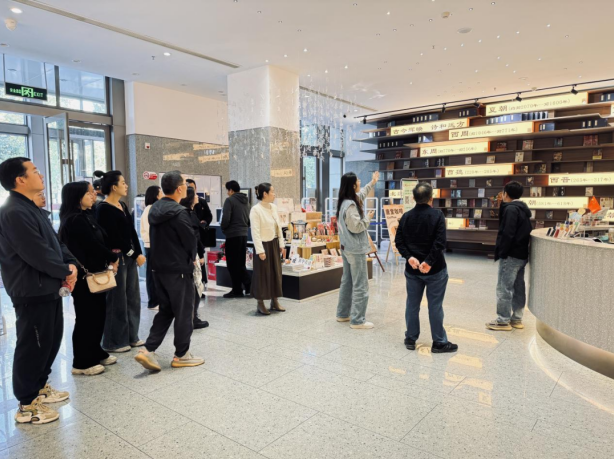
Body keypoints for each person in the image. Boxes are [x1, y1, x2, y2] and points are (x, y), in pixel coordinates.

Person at [0, 157, 77, 425]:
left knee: (50, 341)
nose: (40, 174)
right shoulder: (13, 212)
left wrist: (70, 265)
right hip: (30, 289)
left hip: (47, 287)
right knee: (32, 345)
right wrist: (65, 271)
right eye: (34, 171)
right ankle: (27, 404)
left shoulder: (30, 208)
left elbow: (55, 244)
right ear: (20, 179)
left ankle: (39, 387)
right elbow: (36, 253)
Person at [135, 171, 204, 371]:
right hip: (178, 269)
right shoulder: (179, 212)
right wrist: (191, 259)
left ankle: (148, 350)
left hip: (158, 268)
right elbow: (190, 241)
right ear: (180, 188)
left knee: (166, 310)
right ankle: (181, 355)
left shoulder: (155, 209)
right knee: (184, 312)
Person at [58, 182, 120, 376]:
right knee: (86, 318)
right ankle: (82, 362)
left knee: (98, 315)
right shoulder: (74, 220)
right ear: (78, 197)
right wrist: (113, 257)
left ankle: (95, 351)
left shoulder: (86, 215)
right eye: (89, 193)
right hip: (84, 277)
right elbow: (91, 244)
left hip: (95, 273)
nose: (94, 195)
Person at [395, 182, 458, 353]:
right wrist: (429, 262)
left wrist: (410, 257)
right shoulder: (437, 215)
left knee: (412, 304)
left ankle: (410, 338)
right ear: (431, 198)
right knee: (435, 305)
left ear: (413, 198)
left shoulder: (406, 216)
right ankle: (439, 342)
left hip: (412, 270)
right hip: (435, 269)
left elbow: (399, 241)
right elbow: (440, 243)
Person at [94, 170, 146, 353]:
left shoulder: (122, 205)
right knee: (117, 300)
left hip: (129, 257)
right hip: (116, 258)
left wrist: (138, 253)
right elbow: (114, 238)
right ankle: (114, 341)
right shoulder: (103, 208)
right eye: (123, 182)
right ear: (114, 187)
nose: (126, 185)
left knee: (133, 298)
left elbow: (131, 232)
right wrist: (134, 254)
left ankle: (132, 336)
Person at [486, 181, 533, 331]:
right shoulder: (522, 209)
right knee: (518, 287)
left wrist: (502, 252)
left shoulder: (511, 209)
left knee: (504, 287)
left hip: (511, 254)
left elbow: (507, 233)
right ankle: (517, 319)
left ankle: (503, 320)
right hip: (521, 254)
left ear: (506, 193)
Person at [335, 171, 378, 329]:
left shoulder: (345, 201)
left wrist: (372, 182)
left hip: (346, 247)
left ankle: (342, 314)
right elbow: (356, 227)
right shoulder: (351, 205)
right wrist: (368, 218)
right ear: (353, 185)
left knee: (347, 281)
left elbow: (362, 193)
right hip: (355, 249)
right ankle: (358, 320)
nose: (360, 182)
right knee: (361, 284)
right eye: (358, 180)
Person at [250, 183, 285, 315]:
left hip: (274, 243)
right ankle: (260, 302)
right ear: (265, 194)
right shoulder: (256, 210)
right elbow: (255, 232)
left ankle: (274, 301)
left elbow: (278, 227)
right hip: (263, 245)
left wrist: (281, 244)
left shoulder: (273, 207)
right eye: (272, 191)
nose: (274, 194)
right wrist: (260, 251)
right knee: (262, 274)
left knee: (276, 272)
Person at [179, 187, 209, 330]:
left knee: (194, 286)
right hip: (192, 255)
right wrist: (200, 254)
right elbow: (194, 238)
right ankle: (193, 318)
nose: (198, 197)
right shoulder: (188, 214)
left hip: (189, 254)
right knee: (196, 286)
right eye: (195, 194)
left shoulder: (187, 213)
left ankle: (191, 316)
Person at [220, 180, 251, 298]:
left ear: (231, 190)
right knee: (240, 263)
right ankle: (246, 286)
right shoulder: (246, 201)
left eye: (227, 191)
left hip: (233, 235)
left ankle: (239, 289)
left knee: (232, 264)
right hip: (244, 235)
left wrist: (224, 229)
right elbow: (249, 220)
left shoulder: (230, 200)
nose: (227, 193)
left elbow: (225, 219)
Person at [141, 185, 163, 310]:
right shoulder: (150, 209)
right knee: (152, 274)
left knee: (155, 273)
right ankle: (153, 301)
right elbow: (149, 230)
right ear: (156, 195)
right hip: (151, 245)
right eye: (160, 192)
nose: (162, 194)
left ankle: (157, 300)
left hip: (154, 245)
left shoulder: (153, 208)